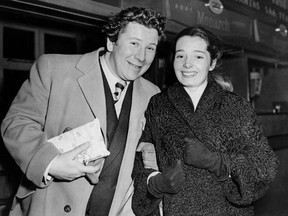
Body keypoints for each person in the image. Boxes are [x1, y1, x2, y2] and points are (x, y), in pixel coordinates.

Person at [1, 6, 166, 216]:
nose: (141, 57)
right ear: (111, 42)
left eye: (150, 48)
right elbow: (17, 122)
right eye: (134, 43)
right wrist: (50, 162)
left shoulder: (153, 94)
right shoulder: (54, 69)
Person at [132, 26, 279, 216]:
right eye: (180, 56)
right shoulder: (159, 105)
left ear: (212, 62)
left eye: (198, 57)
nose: (187, 64)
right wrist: (155, 184)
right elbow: (139, 160)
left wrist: (218, 163)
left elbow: (265, 165)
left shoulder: (235, 107)